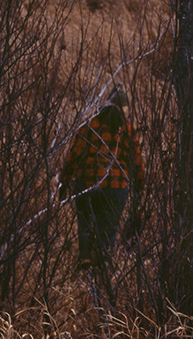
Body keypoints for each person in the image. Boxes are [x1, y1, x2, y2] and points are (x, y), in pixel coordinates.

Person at [60, 88, 143, 282]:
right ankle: (104, 266)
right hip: (115, 189)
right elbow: (136, 163)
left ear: (105, 104)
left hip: (88, 186)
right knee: (109, 229)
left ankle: (85, 259)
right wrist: (139, 186)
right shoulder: (128, 130)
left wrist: (64, 181)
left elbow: (74, 155)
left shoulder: (89, 125)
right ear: (125, 109)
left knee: (86, 224)